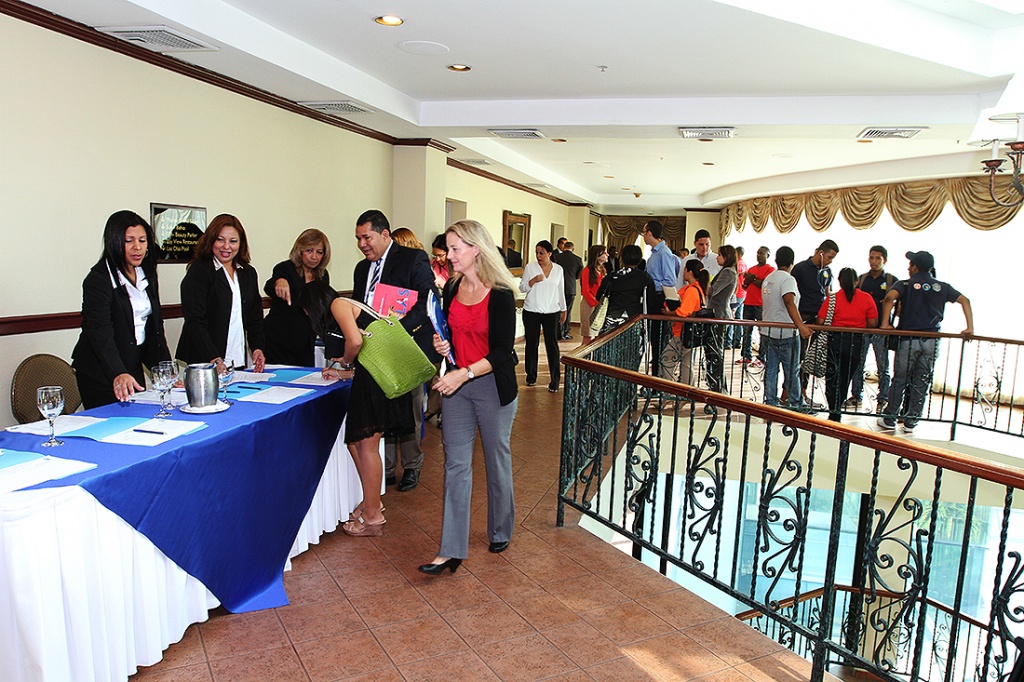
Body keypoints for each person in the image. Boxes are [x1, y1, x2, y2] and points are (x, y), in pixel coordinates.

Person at [419, 220, 519, 575]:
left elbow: (502, 352)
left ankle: (501, 528)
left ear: (476, 249)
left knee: (496, 459)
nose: (449, 256)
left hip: (491, 386)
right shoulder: (451, 288)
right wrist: (443, 345)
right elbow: (451, 333)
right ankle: (451, 550)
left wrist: (465, 372)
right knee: (456, 466)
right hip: (457, 387)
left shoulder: (501, 295)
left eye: (455, 249)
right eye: (448, 249)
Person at [302, 282, 407, 536]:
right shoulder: (353, 306)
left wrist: (345, 360)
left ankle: (372, 517)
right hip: (373, 379)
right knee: (356, 444)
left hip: (374, 385)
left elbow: (356, 342)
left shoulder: (339, 304)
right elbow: (369, 361)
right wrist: (343, 373)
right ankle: (372, 503)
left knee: (367, 447)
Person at [352, 210, 438, 491]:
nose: (362, 244)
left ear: (385, 234)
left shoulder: (412, 258)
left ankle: (412, 465)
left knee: (410, 408)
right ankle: (387, 468)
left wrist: (399, 328)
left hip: (405, 345)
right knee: (381, 410)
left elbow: (428, 298)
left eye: (367, 237)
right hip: (375, 351)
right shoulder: (361, 269)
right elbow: (359, 306)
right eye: (358, 238)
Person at [72, 210, 172, 408]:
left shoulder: (146, 273)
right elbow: (100, 331)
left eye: (142, 240)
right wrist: (118, 372)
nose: (137, 247)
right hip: (102, 371)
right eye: (129, 241)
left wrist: (165, 371)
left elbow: (155, 327)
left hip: (131, 365)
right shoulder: (98, 279)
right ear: (114, 242)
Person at [878, 251, 973, 434]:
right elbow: (965, 301)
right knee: (922, 381)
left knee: (900, 379)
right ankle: (911, 421)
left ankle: (890, 418)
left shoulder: (905, 284)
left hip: (909, 339)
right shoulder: (942, 286)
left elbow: (889, 298)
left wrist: (885, 324)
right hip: (932, 340)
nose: (908, 268)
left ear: (914, 267)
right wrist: (969, 328)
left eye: (910, 264)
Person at [177, 213, 266, 374]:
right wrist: (213, 358)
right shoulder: (199, 270)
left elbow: (255, 317)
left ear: (241, 243)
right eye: (220, 239)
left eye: (233, 241)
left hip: (237, 360)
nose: (226, 247)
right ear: (211, 240)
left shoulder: (248, 272)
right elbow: (195, 321)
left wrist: (257, 347)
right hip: (206, 361)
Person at [262, 228, 331, 366]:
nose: (314, 257)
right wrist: (279, 281)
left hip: (306, 342)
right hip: (278, 341)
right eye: (309, 250)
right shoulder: (285, 268)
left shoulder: (323, 275)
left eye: (319, 252)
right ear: (300, 250)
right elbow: (269, 287)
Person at [817, 268, 877, 422]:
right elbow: (872, 323)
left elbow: (820, 321)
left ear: (839, 282)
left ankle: (834, 410)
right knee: (845, 378)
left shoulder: (832, 299)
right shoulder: (866, 298)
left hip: (835, 341)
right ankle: (838, 407)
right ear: (856, 281)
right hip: (855, 342)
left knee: (832, 378)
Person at [760, 246, 812, 409]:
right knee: (791, 370)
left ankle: (770, 402)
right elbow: (789, 301)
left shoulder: (769, 278)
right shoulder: (788, 280)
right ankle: (796, 403)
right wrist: (801, 326)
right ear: (792, 262)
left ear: (776, 260)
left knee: (771, 369)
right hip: (786, 333)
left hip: (768, 330)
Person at [848, 245, 897, 412]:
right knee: (858, 363)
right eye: (871, 258)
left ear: (885, 260)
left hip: (881, 330)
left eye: (878, 258)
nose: (874, 261)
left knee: (883, 365)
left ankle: (883, 398)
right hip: (863, 328)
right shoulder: (861, 279)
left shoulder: (891, 280)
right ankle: (856, 395)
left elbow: (899, 303)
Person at [792, 239, 839, 402]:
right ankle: (792, 393)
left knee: (811, 358)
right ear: (821, 253)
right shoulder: (800, 268)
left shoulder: (827, 271)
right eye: (829, 257)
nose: (830, 261)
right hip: (803, 318)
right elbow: (792, 294)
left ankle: (803, 392)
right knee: (798, 357)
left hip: (820, 320)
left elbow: (828, 293)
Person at [520, 240, 566, 392]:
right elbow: (522, 287)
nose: (538, 256)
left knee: (552, 345)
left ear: (550, 254)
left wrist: (563, 309)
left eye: (542, 253)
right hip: (531, 311)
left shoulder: (558, 269)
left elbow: (561, 291)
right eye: (537, 253)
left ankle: (555, 380)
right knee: (532, 344)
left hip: (552, 312)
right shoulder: (530, 267)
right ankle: (531, 376)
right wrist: (532, 281)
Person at [660, 259, 709, 385]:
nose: (683, 273)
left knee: (667, 360)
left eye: (685, 270)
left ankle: (668, 390)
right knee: (687, 363)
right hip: (690, 332)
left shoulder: (692, 290)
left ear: (690, 272)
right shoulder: (698, 289)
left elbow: (683, 312)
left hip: (683, 332)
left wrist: (669, 313)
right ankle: (687, 391)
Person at [643, 221, 680, 375]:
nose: (643, 236)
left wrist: (651, 283)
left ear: (649, 233)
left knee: (658, 339)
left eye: (644, 232)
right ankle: (655, 374)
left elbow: (670, 280)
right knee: (653, 338)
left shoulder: (664, 253)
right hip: (652, 297)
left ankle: (658, 375)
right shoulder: (655, 253)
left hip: (659, 297)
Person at [594, 244, 656, 333]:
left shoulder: (611, 277)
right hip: (634, 318)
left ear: (622, 258)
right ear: (639, 259)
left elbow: (599, 296)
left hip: (612, 318)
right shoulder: (644, 278)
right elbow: (651, 301)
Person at [705, 245, 738, 393]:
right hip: (716, 313)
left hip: (719, 315)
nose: (717, 258)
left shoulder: (728, 272)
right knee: (713, 351)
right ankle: (715, 385)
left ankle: (719, 388)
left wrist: (704, 279)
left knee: (716, 352)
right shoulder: (726, 271)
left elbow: (712, 291)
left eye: (720, 255)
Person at [738, 246, 774, 366]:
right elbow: (744, 285)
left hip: (760, 304)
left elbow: (766, 285)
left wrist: (752, 279)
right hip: (748, 302)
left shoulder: (770, 269)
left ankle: (761, 357)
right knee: (746, 331)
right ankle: (746, 355)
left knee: (762, 332)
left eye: (762, 253)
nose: (759, 255)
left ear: (767, 255)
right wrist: (750, 280)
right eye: (758, 253)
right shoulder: (752, 268)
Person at [580, 244, 607, 345]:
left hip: (599, 303)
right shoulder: (587, 271)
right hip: (590, 304)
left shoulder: (603, 270)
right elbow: (586, 291)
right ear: (597, 255)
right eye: (604, 253)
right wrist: (595, 303)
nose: (607, 255)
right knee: (588, 336)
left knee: (597, 335)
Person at [558, 241, 584, 339]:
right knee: (567, 311)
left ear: (564, 247)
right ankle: (565, 332)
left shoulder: (556, 257)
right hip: (570, 287)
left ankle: (557, 332)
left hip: (558, 287)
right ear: (573, 249)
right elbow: (579, 274)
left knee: (557, 310)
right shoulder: (578, 259)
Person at [724, 245, 748, 349]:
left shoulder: (738, 264)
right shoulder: (745, 264)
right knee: (738, 318)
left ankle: (728, 341)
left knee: (731, 317)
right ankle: (737, 341)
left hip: (737, 294)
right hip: (742, 294)